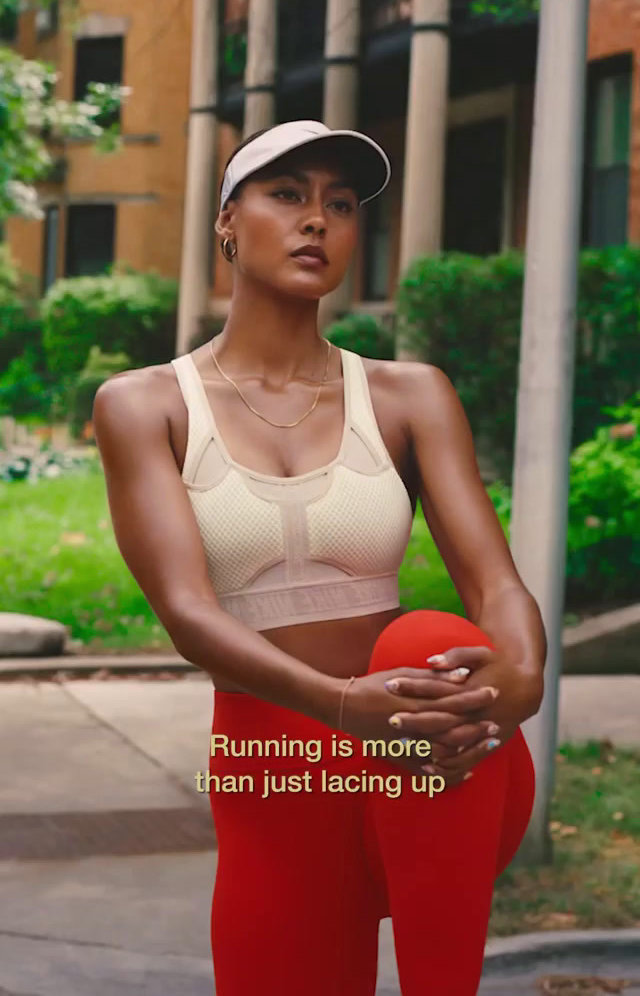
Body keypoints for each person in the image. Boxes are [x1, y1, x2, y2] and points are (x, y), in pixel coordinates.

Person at [93, 119, 545, 996]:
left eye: (340, 206)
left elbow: (496, 584)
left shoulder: (410, 394)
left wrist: (516, 685)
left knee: (427, 637)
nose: (318, 221)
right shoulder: (146, 405)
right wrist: (342, 706)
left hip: (429, 761)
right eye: (288, 195)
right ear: (227, 221)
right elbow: (188, 612)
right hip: (279, 776)